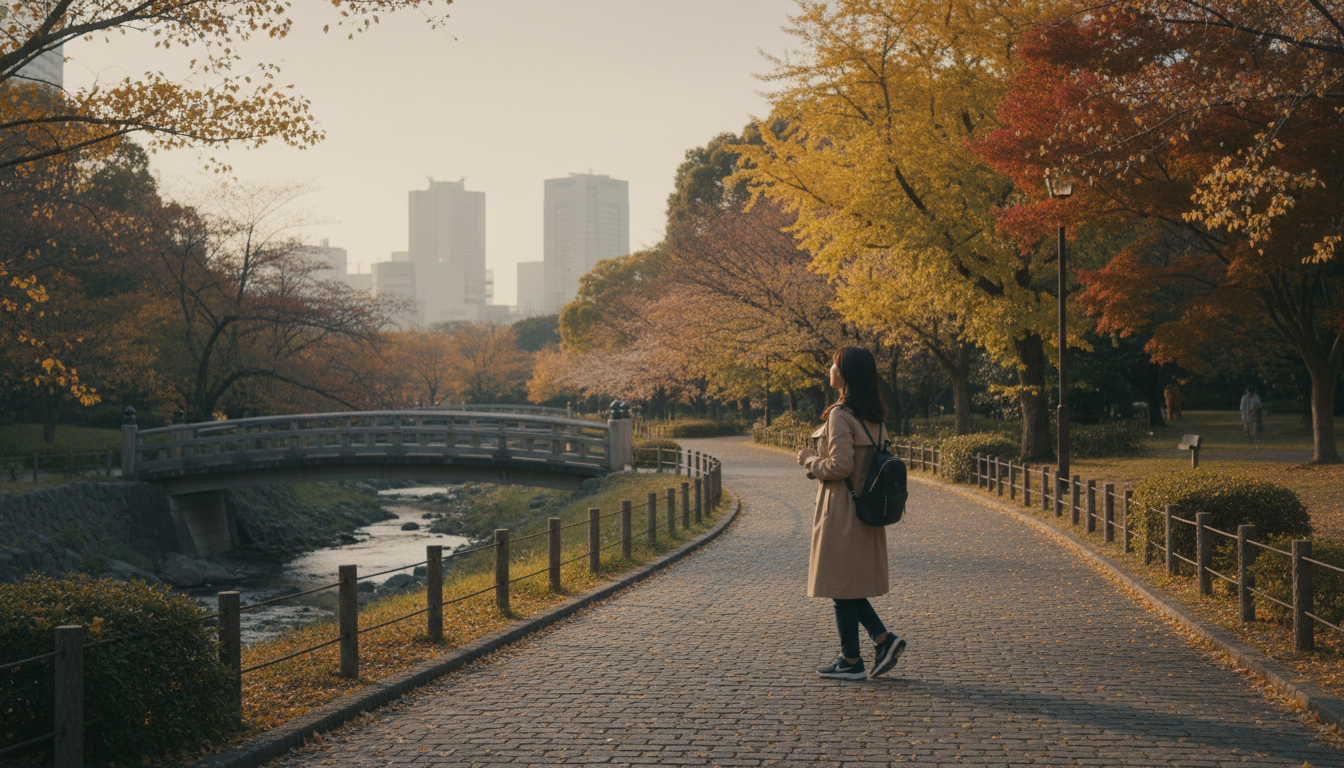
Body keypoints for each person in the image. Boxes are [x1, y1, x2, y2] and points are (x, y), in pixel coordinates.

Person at [795, 346, 905, 680]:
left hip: (842, 509)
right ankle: (881, 641)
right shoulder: (874, 414)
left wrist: (808, 460)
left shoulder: (841, 414)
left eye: (834, 363)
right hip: (865, 509)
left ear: (844, 373)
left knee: (839, 586)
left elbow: (841, 466)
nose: (829, 367)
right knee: (847, 585)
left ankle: (852, 660)